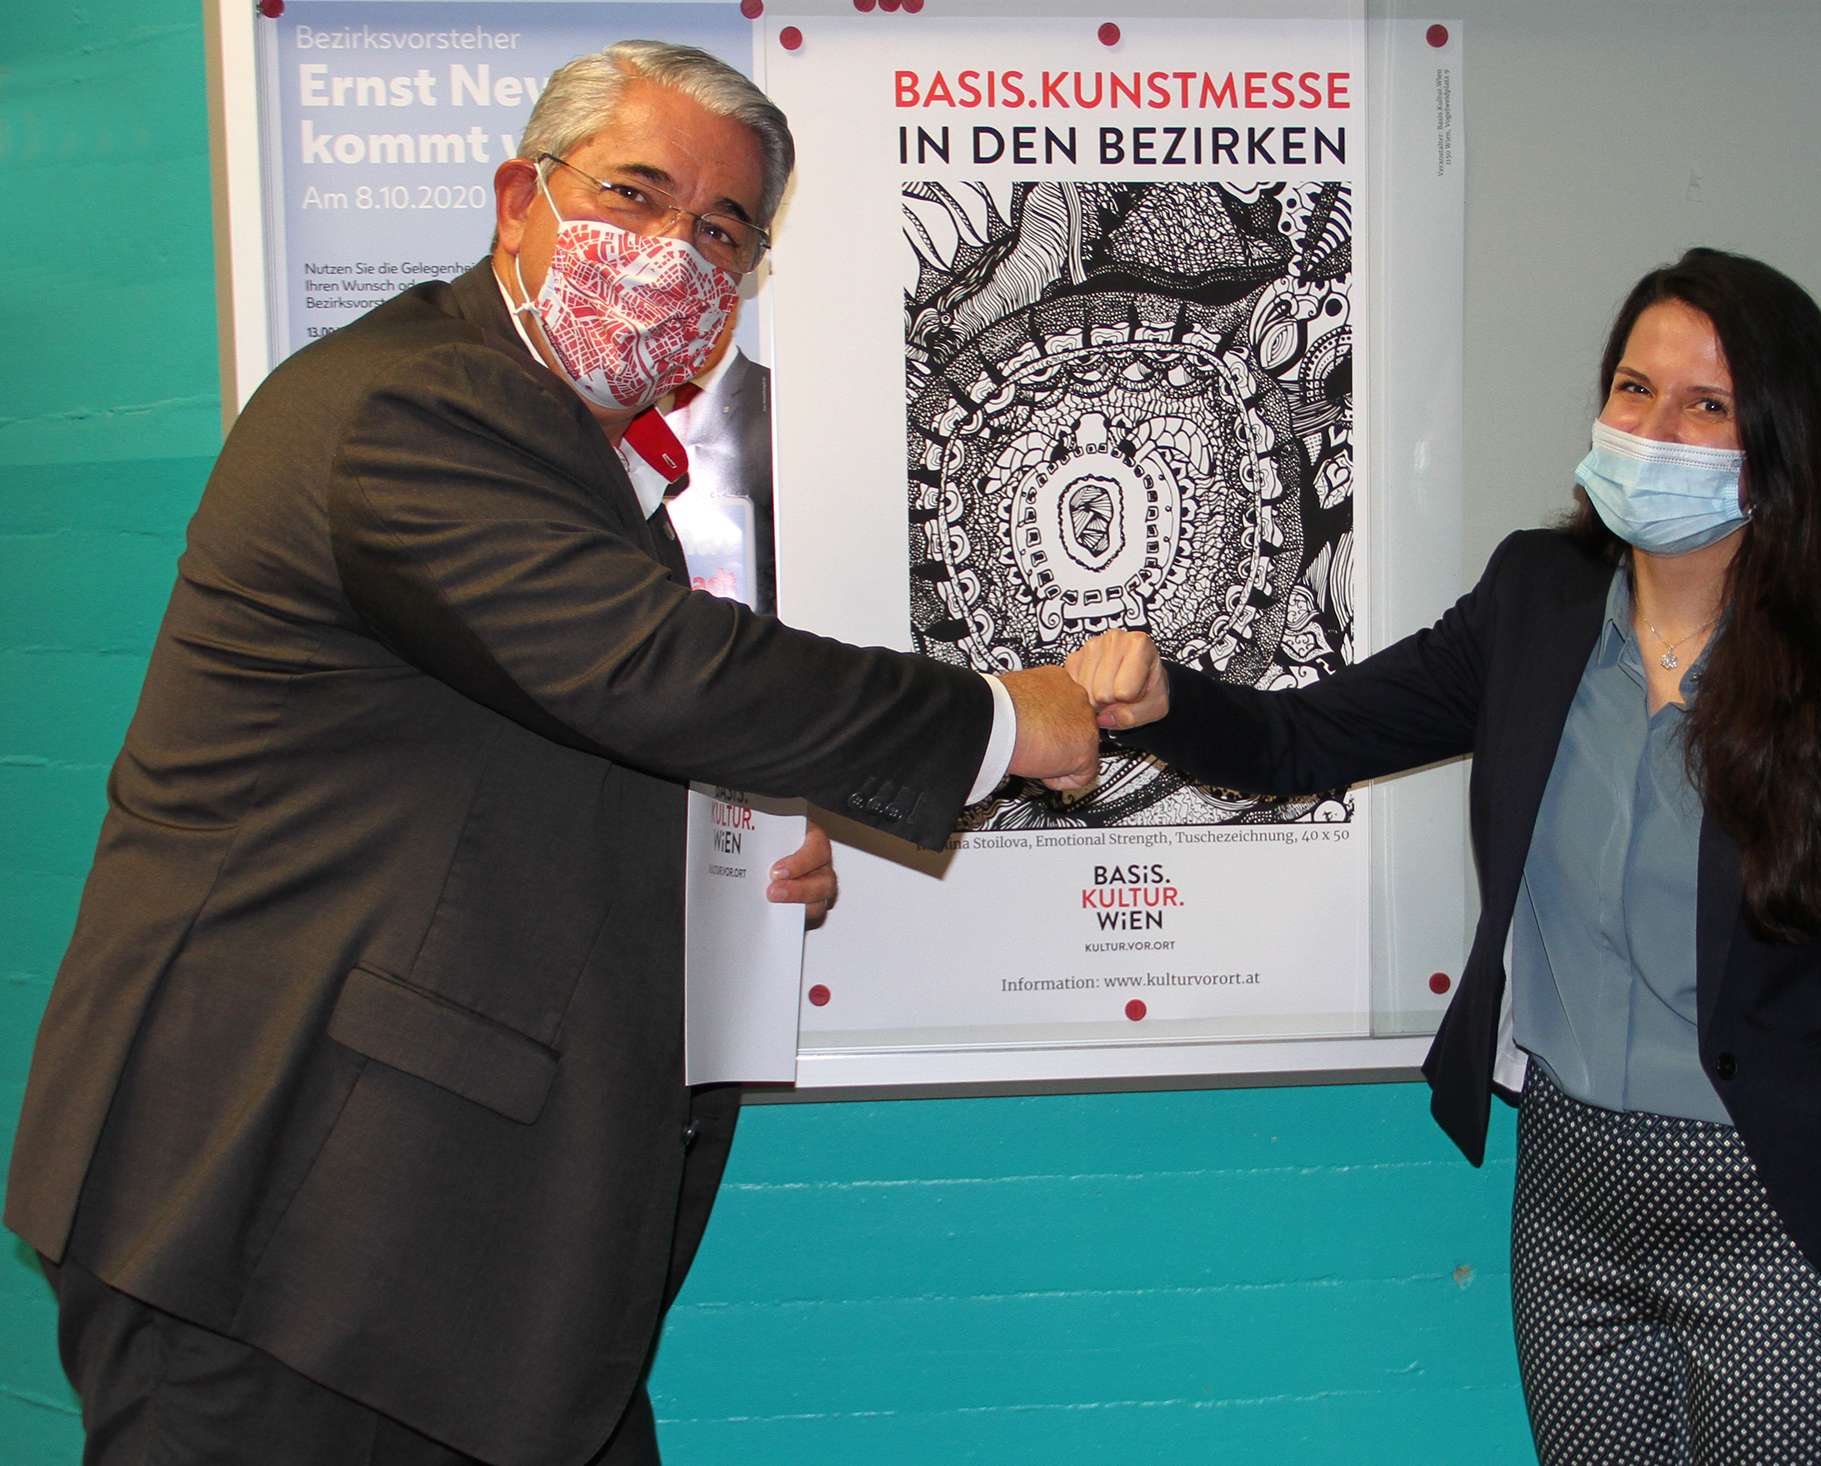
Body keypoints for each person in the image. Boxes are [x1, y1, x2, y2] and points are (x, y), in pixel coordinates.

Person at [5, 41, 1098, 1466]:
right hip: (275, 1225)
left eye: (722, 231)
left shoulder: (570, 464)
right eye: (633, 194)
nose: (671, 252)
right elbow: (647, 672)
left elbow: (531, 739)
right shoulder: (412, 405)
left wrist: (730, 842)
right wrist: (1002, 719)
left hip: (428, 1256)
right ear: (520, 199)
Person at [1068, 248, 1821, 1466]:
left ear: (1778, 441)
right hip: (1569, 1195)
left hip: (1771, 1213)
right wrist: (1162, 698)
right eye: (1633, 388)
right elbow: (1304, 737)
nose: (1653, 429)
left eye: (1705, 405)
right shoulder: (1534, 601)